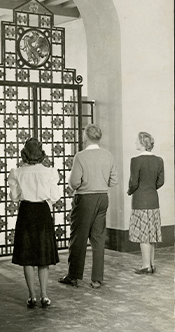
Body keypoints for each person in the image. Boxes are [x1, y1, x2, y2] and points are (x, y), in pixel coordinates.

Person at [59, 123, 118, 289]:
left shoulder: (81, 156)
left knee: (78, 237)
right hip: (102, 198)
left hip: (85, 199)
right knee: (98, 239)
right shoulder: (108, 155)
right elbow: (114, 180)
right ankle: (97, 279)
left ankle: (73, 276)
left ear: (85, 137)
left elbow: (73, 182)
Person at [8, 138, 61, 308]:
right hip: (42, 212)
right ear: (41, 154)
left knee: (28, 256)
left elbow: (14, 197)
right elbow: (54, 197)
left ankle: (31, 296)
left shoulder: (16, 172)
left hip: (26, 212)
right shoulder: (50, 172)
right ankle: (44, 295)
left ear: (24, 154)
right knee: (43, 256)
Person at [127, 131, 164, 274]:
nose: (135, 143)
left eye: (137, 141)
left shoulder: (135, 160)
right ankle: (152, 264)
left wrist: (130, 191)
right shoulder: (159, 160)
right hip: (153, 200)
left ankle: (145, 266)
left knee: (143, 235)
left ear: (142, 143)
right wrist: (150, 188)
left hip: (140, 201)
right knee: (151, 234)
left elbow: (133, 182)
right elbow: (161, 181)